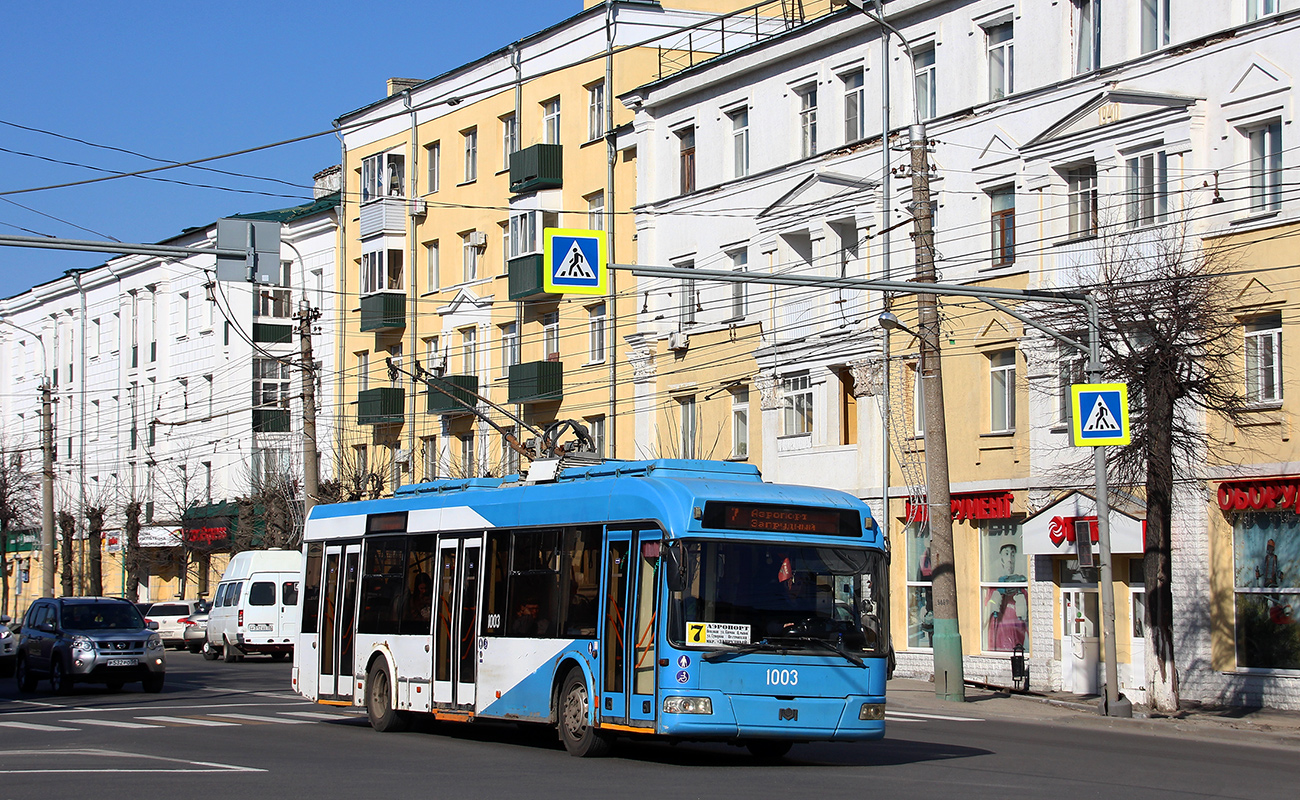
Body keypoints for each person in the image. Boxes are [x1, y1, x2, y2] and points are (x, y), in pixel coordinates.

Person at [985, 542, 1027, 651]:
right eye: (1006, 554)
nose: (1010, 559)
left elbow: (1028, 620)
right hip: (1000, 639)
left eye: (1013, 554)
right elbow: (986, 613)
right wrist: (997, 597)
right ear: (1001, 559)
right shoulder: (994, 588)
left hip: (1018, 640)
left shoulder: (1022, 590)